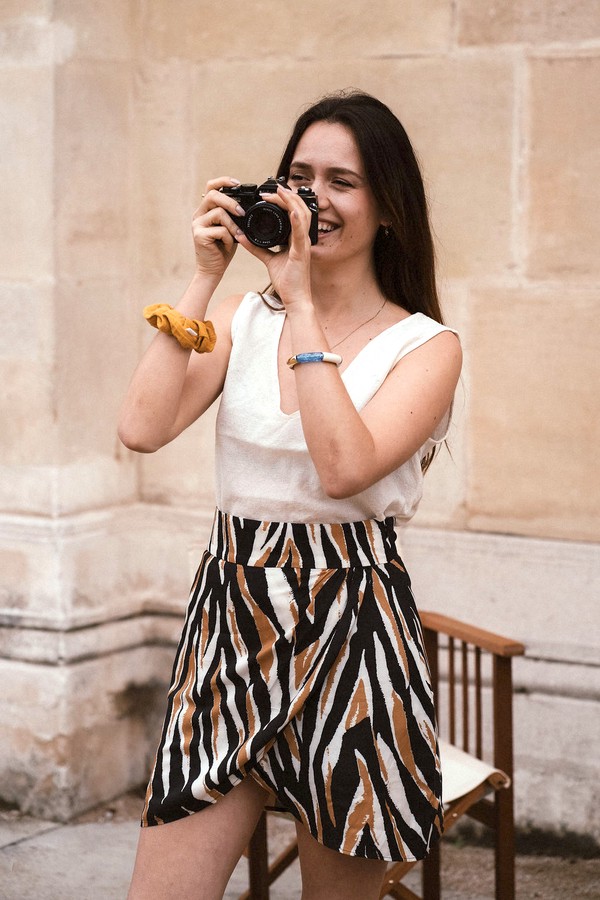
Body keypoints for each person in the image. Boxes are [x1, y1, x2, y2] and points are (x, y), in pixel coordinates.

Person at [118, 89, 462, 900]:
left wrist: (302, 301)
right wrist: (205, 277)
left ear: (389, 208)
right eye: (300, 178)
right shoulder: (243, 317)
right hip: (229, 626)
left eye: (343, 181)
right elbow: (140, 427)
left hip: (355, 636)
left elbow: (344, 467)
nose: (315, 199)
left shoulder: (426, 346)